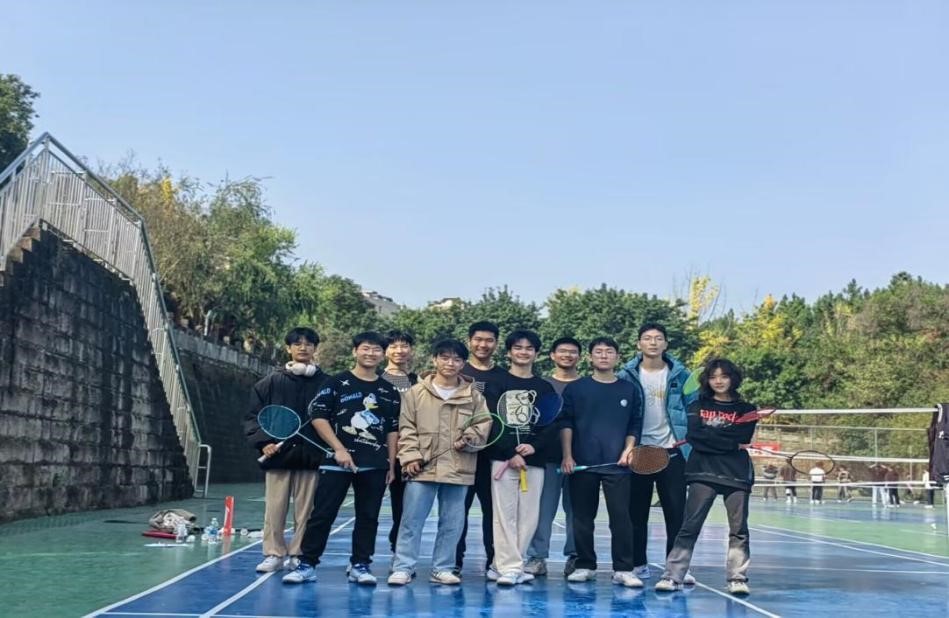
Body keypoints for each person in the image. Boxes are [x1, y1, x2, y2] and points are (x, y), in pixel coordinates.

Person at [283, 332, 401, 585]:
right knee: (322, 514)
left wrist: (391, 463)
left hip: (375, 463)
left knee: (368, 517)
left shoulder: (389, 390)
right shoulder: (335, 383)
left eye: (376, 350)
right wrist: (339, 449)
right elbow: (318, 417)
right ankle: (307, 564)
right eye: (365, 348)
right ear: (355, 351)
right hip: (335, 462)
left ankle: (360, 564)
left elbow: (393, 429)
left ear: (383, 355)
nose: (370, 353)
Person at [655, 358, 773, 596]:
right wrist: (729, 442)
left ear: (733, 379)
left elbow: (742, 438)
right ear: (707, 380)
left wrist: (714, 438)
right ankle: (672, 576)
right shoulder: (696, 406)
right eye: (713, 377)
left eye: (724, 376)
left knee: (739, 529)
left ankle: (737, 578)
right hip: (702, 472)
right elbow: (696, 437)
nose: (718, 381)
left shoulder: (747, 410)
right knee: (689, 526)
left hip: (736, 474)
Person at [387, 339, 492, 586]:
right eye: (445, 357)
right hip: (421, 468)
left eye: (456, 359)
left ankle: (443, 568)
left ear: (463, 364)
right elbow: (406, 427)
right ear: (434, 360)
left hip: (459, 467)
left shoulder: (474, 395)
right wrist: (410, 456)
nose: (450, 363)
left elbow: (483, 424)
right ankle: (403, 567)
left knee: (452, 523)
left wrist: (470, 438)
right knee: (411, 521)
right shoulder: (415, 393)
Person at [560, 337, 644, 587]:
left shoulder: (629, 389)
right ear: (590, 357)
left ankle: (623, 569)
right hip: (582, 464)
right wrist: (567, 455)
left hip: (618, 466)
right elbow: (566, 423)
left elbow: (634, 424)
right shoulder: (576, 389)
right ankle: (585, 565)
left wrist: (628, 450)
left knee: (621, 518)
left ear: (617, 357)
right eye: (598, 352)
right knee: (582, 518)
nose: (604, 356)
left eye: (609, 352)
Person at [616, 323, 696, 583]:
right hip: (639, 452)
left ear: (666, 344)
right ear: (638, 343)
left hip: (673, 451)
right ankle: (638, 564)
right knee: (636, 514)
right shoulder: (625, 375)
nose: (653, 342)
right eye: (647, 338)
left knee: (676, 514)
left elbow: (694, 409)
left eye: (658, 338)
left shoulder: (682, 375)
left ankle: (677, 567)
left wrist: (690, 442)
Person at [244, 327, 327, 574]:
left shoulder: (327, 384)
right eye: (297, 343)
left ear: (315, 349)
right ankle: (274, 553)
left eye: (308, 344)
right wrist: (264, 442)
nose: (303, 348)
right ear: (288, 348)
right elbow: (253, 416)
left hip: (311, 457)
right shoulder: (270, 382)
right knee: (274, 509)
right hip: (278, 456)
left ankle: (298, 554)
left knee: (307, 511)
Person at [487, 329, 557, 586]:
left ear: (536, 354)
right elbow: (492, 421)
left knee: (528, 516)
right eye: (518, 347)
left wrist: (532, 447)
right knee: (504, 515)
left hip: (533, 462)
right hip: (503, 461)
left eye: (529, 348)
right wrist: (510, 452)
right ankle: (510, 567)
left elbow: (551, 424)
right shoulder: (497, 383)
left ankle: (505, 566)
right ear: (509, 352)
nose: (523, 352)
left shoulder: (544, 387)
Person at [524, 336, 581, 578]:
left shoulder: (587, 386)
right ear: (552, 355)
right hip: (545, 459)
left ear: (579, 357)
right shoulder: (542, 386)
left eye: (572, 352)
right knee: (542, 511)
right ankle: (537, 557)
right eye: (562, 351)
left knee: (577, 512)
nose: (567, 355)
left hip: (580, 460)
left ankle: (575, 557)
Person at [456, 321, 508, 575]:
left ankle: (495, 562)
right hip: (460, 455)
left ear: (496, 343)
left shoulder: (504, 377)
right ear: (469, 341)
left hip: (493, 457)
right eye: (478, 339)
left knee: (494, 514)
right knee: (456, 512)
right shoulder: (457, 371)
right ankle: (453, 562)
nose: (483, 345)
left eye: (489, 340)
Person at [380, 330, 419, 553]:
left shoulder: (418, 382)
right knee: (368, 507)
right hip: (379, 451)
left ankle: (400, 551)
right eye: (393, 346)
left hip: (407, 453)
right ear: (385, 351)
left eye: (404, 346)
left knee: (404, 508)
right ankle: (361, 558)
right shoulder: (376, 379)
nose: (399, 350)